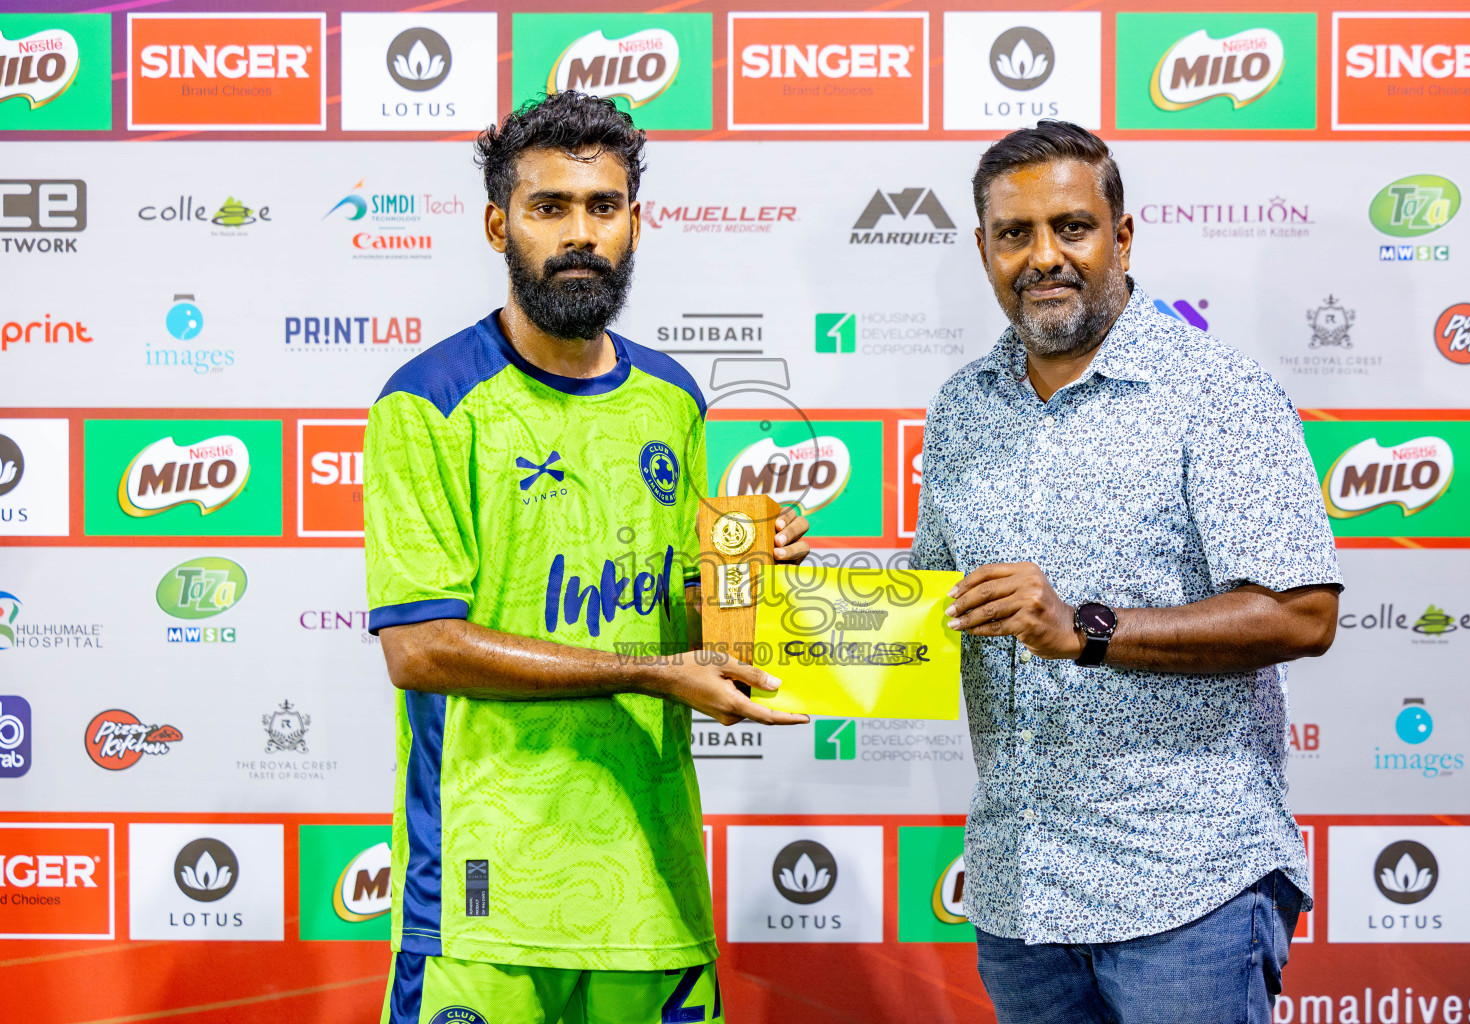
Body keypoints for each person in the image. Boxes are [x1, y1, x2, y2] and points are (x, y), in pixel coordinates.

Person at [363, 92, 809, 1024]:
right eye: (549, 207)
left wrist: (743, 581)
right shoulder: (429, 402)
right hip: (486, 899)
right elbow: (422, 649)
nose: (580, 234)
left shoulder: (673, 399)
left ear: (634, 222)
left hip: (653, 884)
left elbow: (687, 627)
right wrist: (652, 671)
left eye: (603, 207)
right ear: (499, 224)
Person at [911, 121, 1342, 1024]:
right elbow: (933, 602)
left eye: (1072, 227)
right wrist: (796, 588)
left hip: (1188, 890)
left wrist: (1086, 629)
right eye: (1014, 234)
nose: (1044, 257)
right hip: (1021, 891)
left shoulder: (1217, 390)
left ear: (1123, 237)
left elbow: (1302, 613)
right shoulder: (960, 408)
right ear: (982, 249)